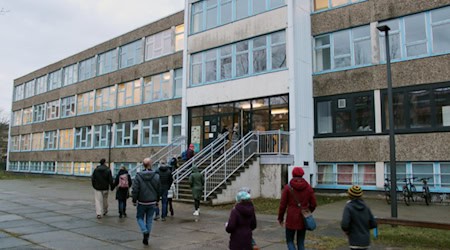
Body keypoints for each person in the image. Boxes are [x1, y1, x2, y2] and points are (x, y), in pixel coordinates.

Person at [278, 167, 317, 250]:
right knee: (301, 242)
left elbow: (282, 205)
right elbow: (314, 204)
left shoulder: (287, 188)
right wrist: (308, 211)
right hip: (303, 218)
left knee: (290, 241)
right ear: (303, 174)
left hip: (291, 218)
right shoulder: (308, 187)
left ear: (293, 174)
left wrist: (280, 218)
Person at [132, 158, 161, 246]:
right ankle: (147, 237)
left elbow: (135, 189)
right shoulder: (156, 176)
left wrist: (134, 199)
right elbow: (158, 189)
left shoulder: (138, 176)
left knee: (139, 217)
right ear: (150, 164)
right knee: (149, 220)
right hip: (152, 201)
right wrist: (157, 200)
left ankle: (144, 231)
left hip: (142, 201)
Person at [341, 185, 377, 250]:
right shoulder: (366, 207)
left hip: (354, 240)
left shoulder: (348, 207)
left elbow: (345, 224)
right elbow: (373, 223)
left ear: (349, 195)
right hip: (366, 241)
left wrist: (347, 231)